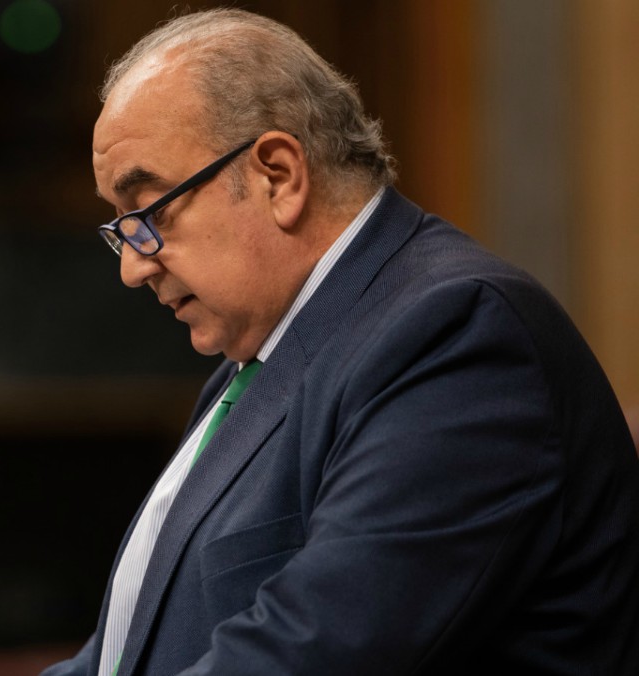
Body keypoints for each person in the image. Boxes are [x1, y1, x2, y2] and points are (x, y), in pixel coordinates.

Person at [42, 8, 639, 675]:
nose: (133, 265)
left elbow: (317, 651)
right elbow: (122, 656)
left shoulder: (458, 333)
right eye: (120, 230)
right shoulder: (253, 364)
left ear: (278, 175)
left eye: (149, 213)